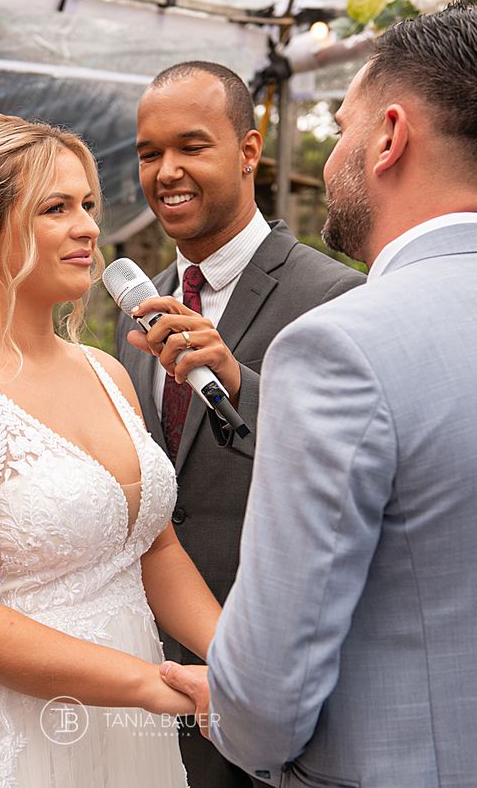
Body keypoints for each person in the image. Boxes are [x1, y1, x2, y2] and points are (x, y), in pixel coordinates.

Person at [160, 4, 477, 788]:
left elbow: (269, 693)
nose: (332, 157)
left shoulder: (338, 347)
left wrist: (227, 708)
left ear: (390, 137)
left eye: (341, 129)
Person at [0, 113, 222, 788]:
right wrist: (156, 685)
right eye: (56, 208)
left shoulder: (108, 370)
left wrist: (240, 662)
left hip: (128, 726)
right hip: (10, 737)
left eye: (88, 205)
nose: (89, 227)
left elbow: (154, 549)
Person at [118, 61, 365, 787]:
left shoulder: (336, 295)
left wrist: (238, 385)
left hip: (278, 676)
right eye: (148, 153)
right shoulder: (136, 304)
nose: (166, 172)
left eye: (190, 147)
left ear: (250, 150)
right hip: (150, 669)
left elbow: (354, 467)